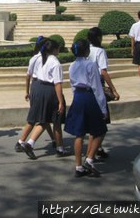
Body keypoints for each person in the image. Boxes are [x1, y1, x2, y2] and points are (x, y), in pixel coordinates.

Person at [19, 39, 69, 159]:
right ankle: (58, 148)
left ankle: (33, 143)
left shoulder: (38, 58)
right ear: (54, 49)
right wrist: (61, 101)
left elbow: (29, 75)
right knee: (55, 119)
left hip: (37, 87)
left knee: (44, 119)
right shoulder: (55, 63)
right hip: (49, 90)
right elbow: (57, 83)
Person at [64, 39, 108, 178]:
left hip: (78, 96)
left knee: (79, 133)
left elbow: (72, 84)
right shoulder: (90, 65)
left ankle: (78, 166)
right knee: (100, 130)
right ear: (87, 50)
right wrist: (103, 108)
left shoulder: (72, 66)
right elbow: (97, 87)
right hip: (89, 97)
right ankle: (89, 159)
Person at [15, 36, 56, 153]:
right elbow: (29, 75)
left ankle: (53, 139)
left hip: (35, 86)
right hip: (42, 87)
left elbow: (28, 76)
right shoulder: (43, 58)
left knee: (43, 116)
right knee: (37, 117)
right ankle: (21, 141)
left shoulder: (35, 58)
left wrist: (27, 91)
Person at [87, 27, 119, 161]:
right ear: (99, 37)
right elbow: (103, 72)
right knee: (101, 124)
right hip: (97, 86)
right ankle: (91, 155)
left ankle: (97, 149)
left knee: (94, 123)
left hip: (86, 87)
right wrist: (113, 89)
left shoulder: (86, 49)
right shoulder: (100, 51)